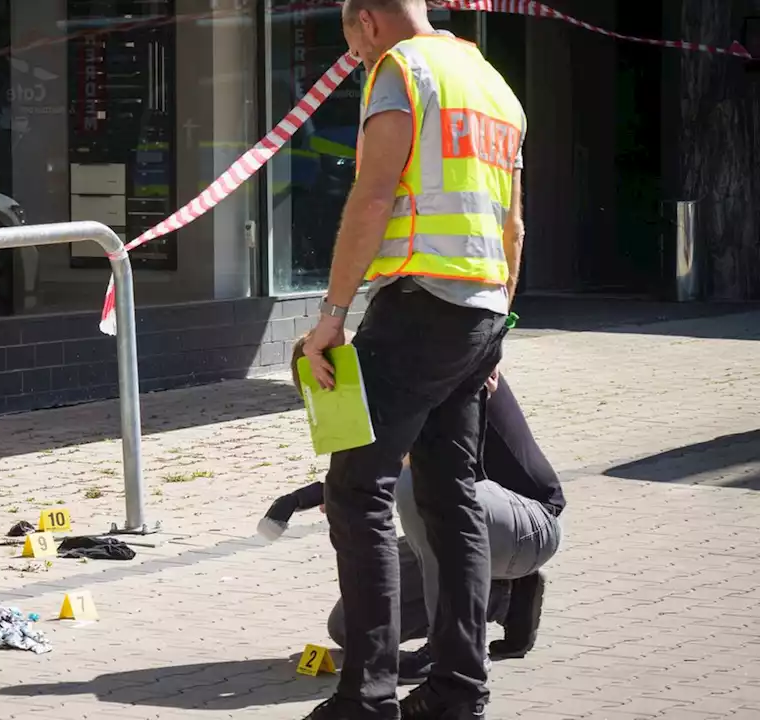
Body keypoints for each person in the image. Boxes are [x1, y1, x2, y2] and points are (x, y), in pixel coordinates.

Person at [298, 1, 528, 717]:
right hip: (480, 308)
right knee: (448, 494)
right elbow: (513, 225)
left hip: (419, 302)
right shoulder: (492, 83)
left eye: (354, 45)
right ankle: (459, 689)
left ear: (367, 22)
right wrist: (496, 330)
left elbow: (372, 195)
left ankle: (365, 698)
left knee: (358, 488)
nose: (360, 60)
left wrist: (331, 316)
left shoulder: (402, 69)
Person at [259, 337, 565, 685]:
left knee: (419, 484)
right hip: (471, 530)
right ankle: (506, 598)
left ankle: (451, 649)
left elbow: (406, 467)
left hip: (530, 526)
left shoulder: (429, 377)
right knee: (351, 627)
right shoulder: (379, 403)